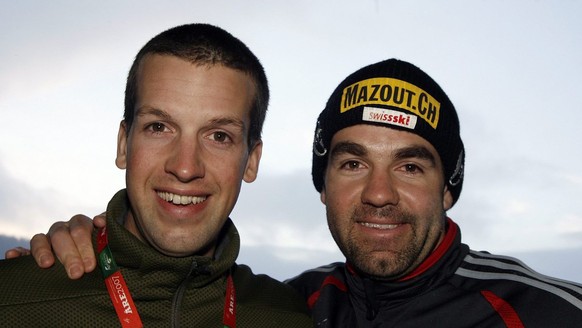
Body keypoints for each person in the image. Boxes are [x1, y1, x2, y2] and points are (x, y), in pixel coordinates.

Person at [9, 59, 582, 327]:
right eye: (352, 162)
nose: (378, 194)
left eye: (410, 167)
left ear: (449, 188)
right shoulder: (292, 307)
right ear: (323, 183)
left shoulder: (547, 312)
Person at [0, 23, 312, 327]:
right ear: (124, 144)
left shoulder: (287, 315)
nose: (185, 167)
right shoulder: (13, 302)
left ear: (251, 160)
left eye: (218, 136)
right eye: (159, 127)